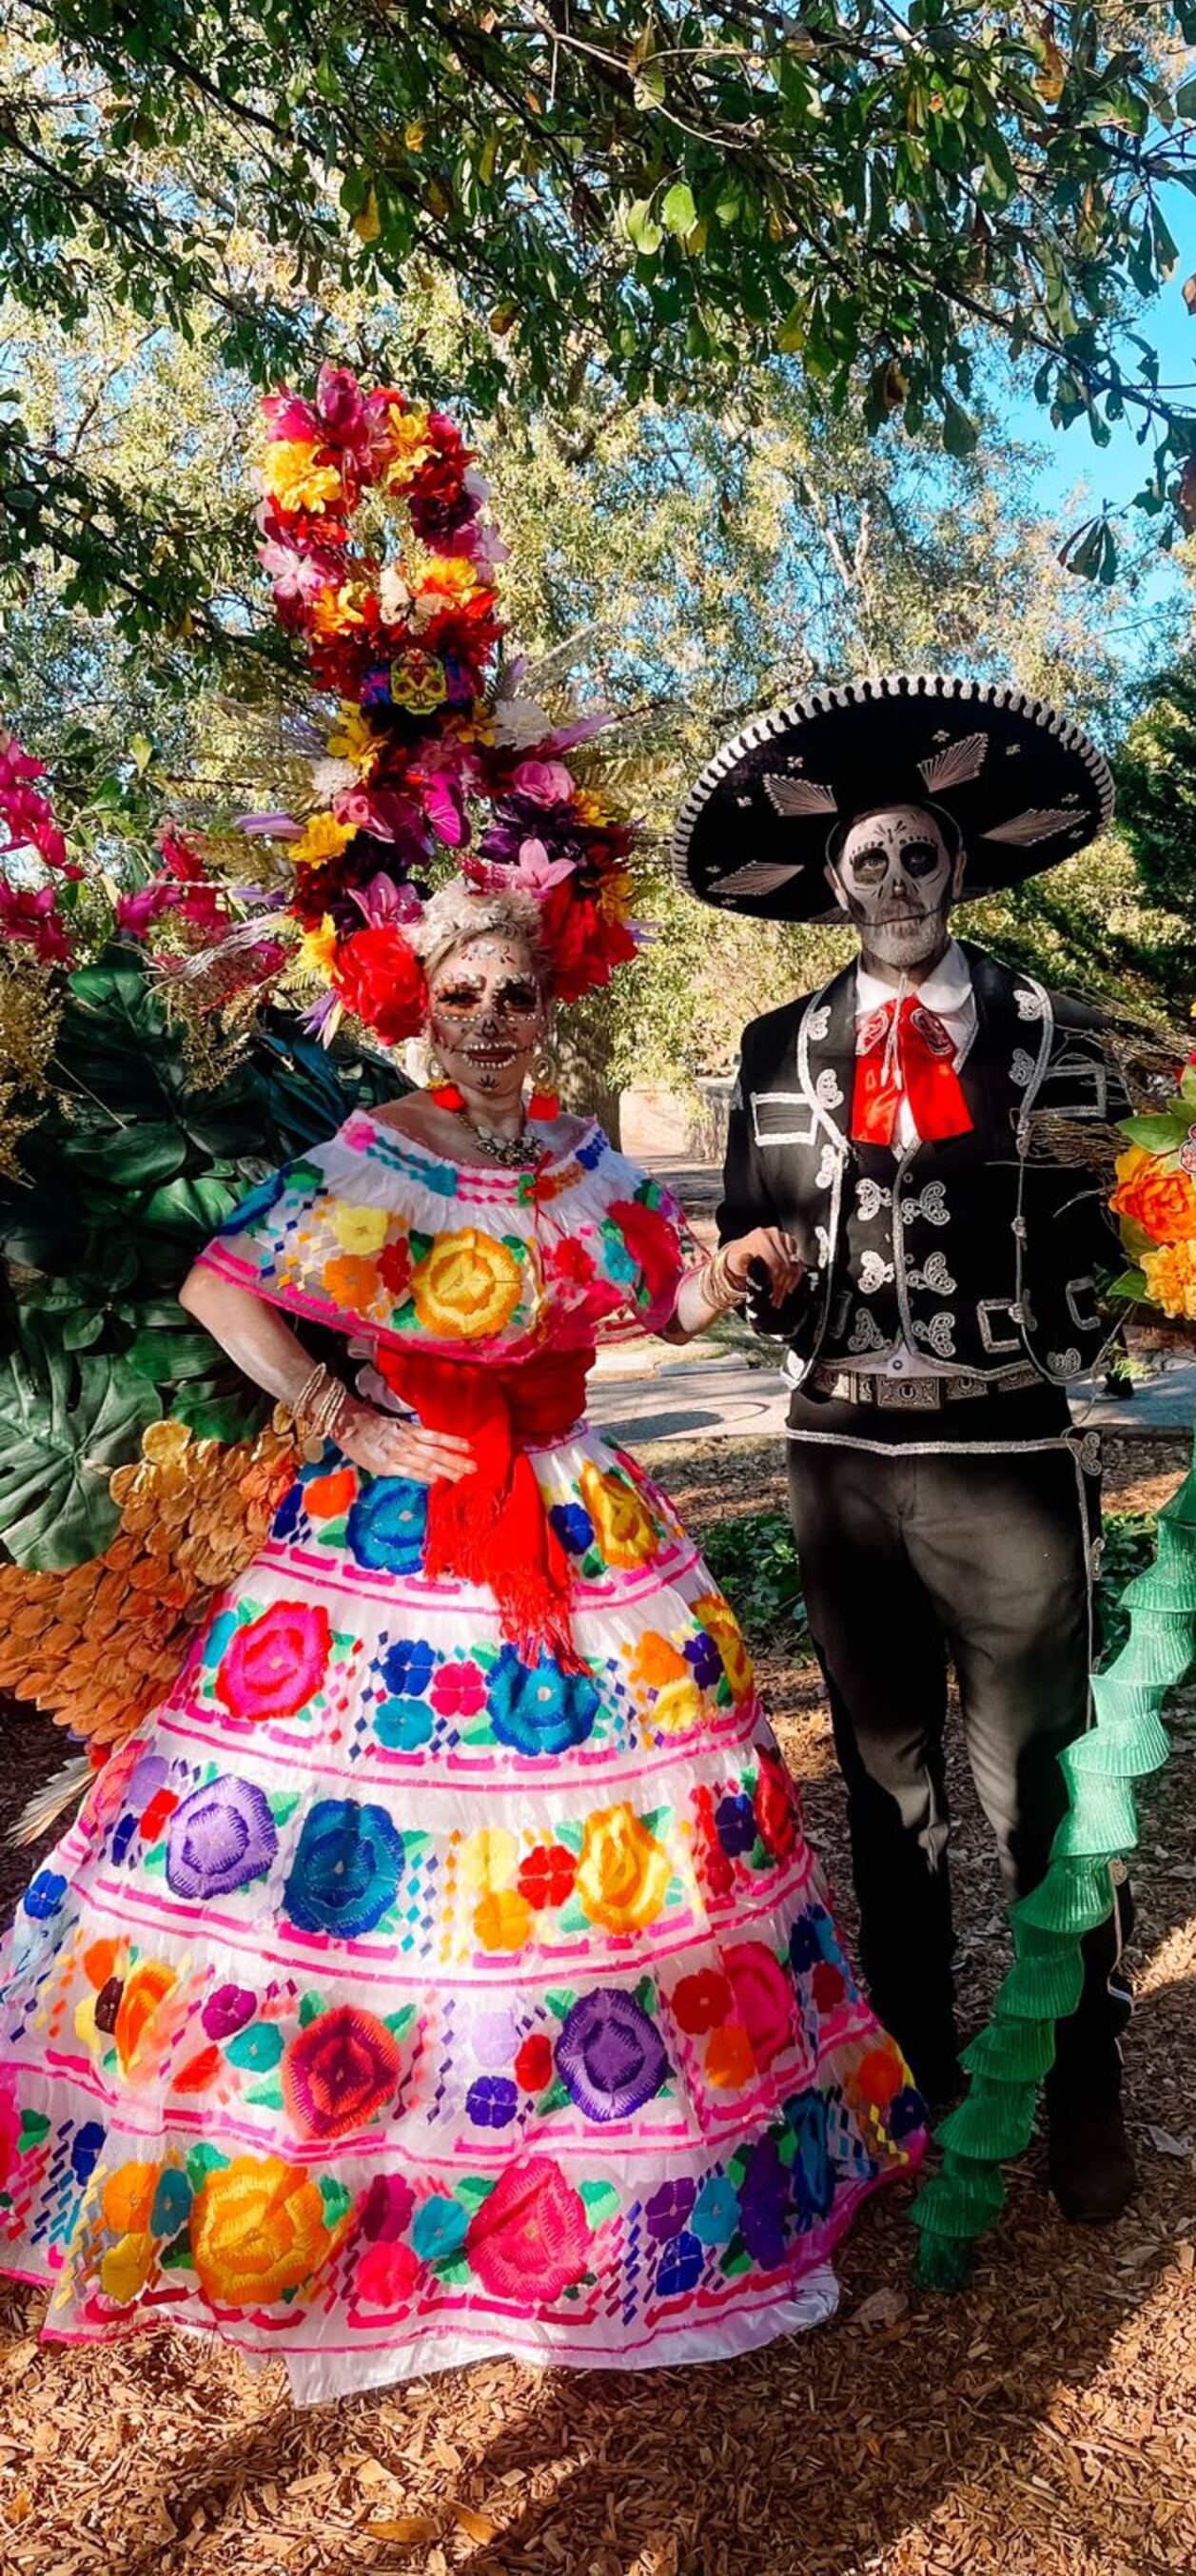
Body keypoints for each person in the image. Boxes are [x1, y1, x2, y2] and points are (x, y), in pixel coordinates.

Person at [0, 874, 924, 2400]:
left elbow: (663, 1307)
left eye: (516, 999)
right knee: (372, 1840)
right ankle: (358, 2171)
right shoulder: (377, 1153)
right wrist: (339, 1416)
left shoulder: (578, 1152)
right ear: (420, 1009)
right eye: (463, 1000)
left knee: (595, 1840)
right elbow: (219, 1284)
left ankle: (587, 2165)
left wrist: (736, 1266)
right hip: (401, 1528)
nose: (490, 1026)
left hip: (573, 1513)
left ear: (549, 1012)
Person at [673, 672, 1138, 2222]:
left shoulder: (1062, 1036)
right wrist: (758, 1275)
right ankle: (920, 2082)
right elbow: (746, 1227)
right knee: (887, 1790)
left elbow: (1128, 1240)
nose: (892, 888)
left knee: (1043, 1789)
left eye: (917, 858)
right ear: (833, 884)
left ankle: (1080, 2084)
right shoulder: (773, 1045)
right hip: (841, 1455)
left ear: (961, 865)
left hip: (1008, 1452)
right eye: (864, 864)